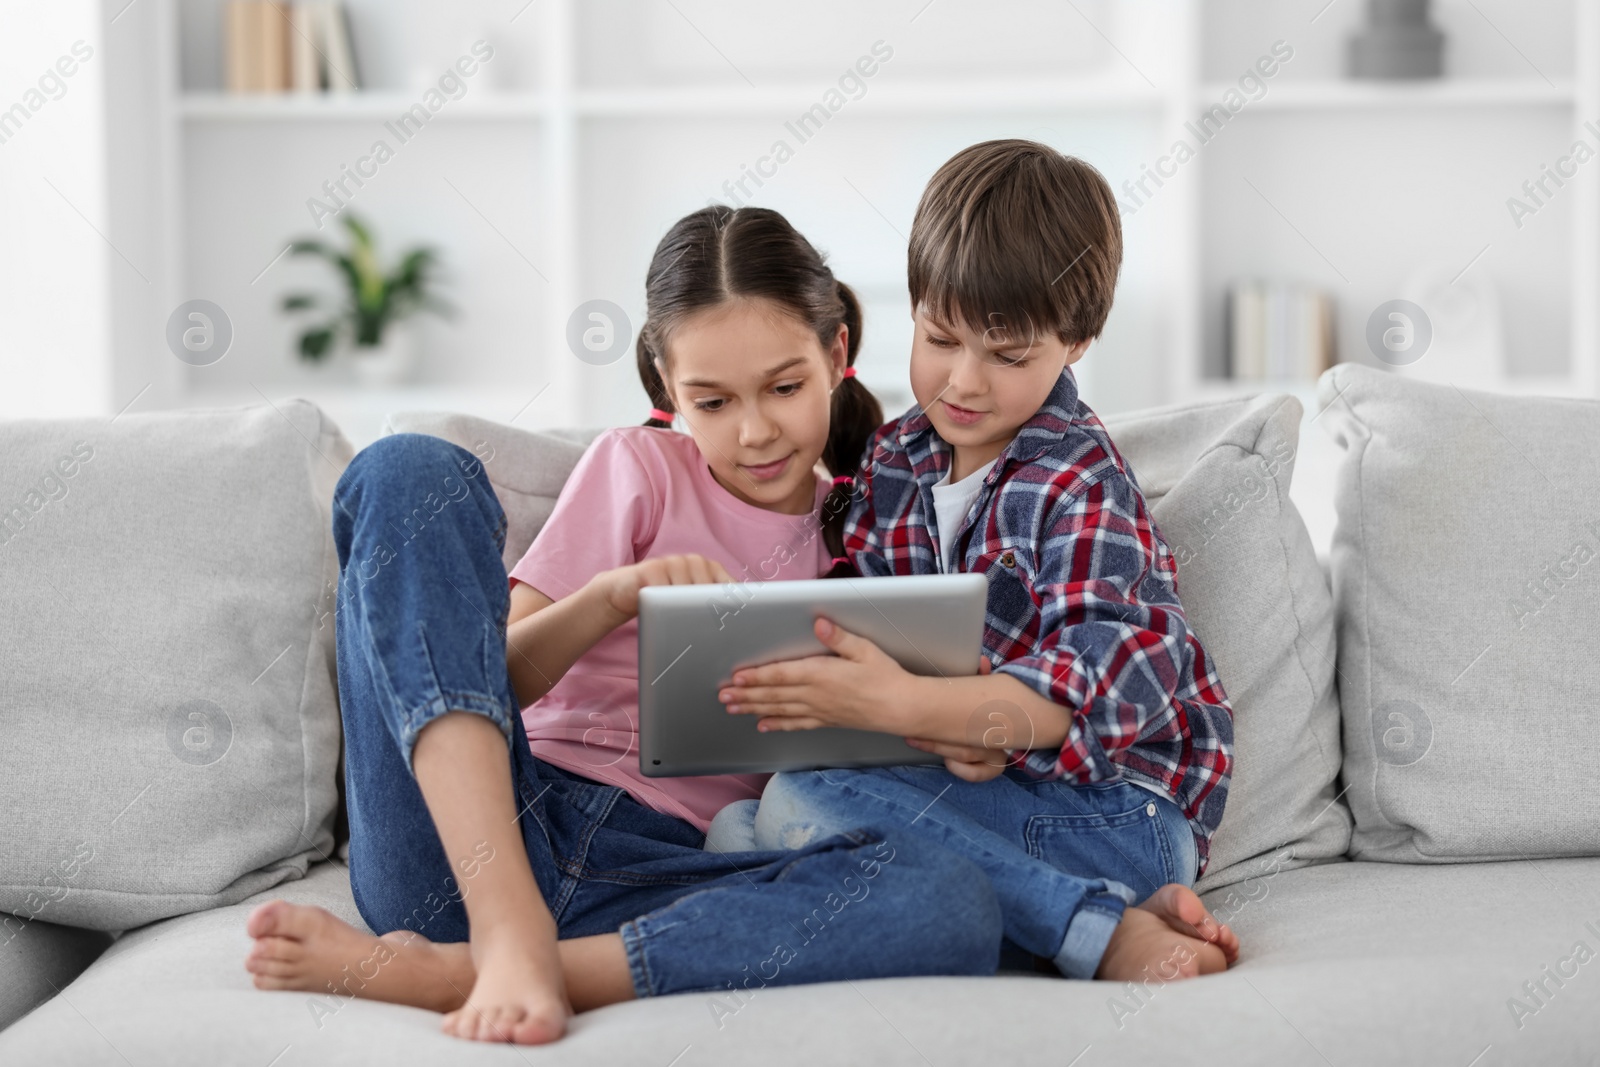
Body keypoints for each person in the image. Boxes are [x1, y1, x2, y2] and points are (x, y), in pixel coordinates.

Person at [239, 205, 1008, 1046]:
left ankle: (470, 969)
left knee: (953, 899)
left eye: (785, 388)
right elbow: (489, 674)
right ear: (665, 389)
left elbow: (885, 755)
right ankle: (504, 927)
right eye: (711, 401)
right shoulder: (637, 469)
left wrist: (952, 728)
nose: (754, 431)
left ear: (836, 355)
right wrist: (610, 598)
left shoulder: (867, 534)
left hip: (665, 868)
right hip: (483, 824)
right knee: (407, 468)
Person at [709, 139, 1241, 982]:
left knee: (798, 808)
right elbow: (873, 625)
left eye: (1008, 354)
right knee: (738, 832)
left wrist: (945, 708)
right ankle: (1074, 909)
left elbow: (1116, 679)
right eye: (939, 337)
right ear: (912, 308)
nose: (962, 381)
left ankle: (1096, 927)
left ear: (1077, 341)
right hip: (966, 792)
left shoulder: (1077, 480)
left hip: (1113, 811)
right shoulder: (893, 462)